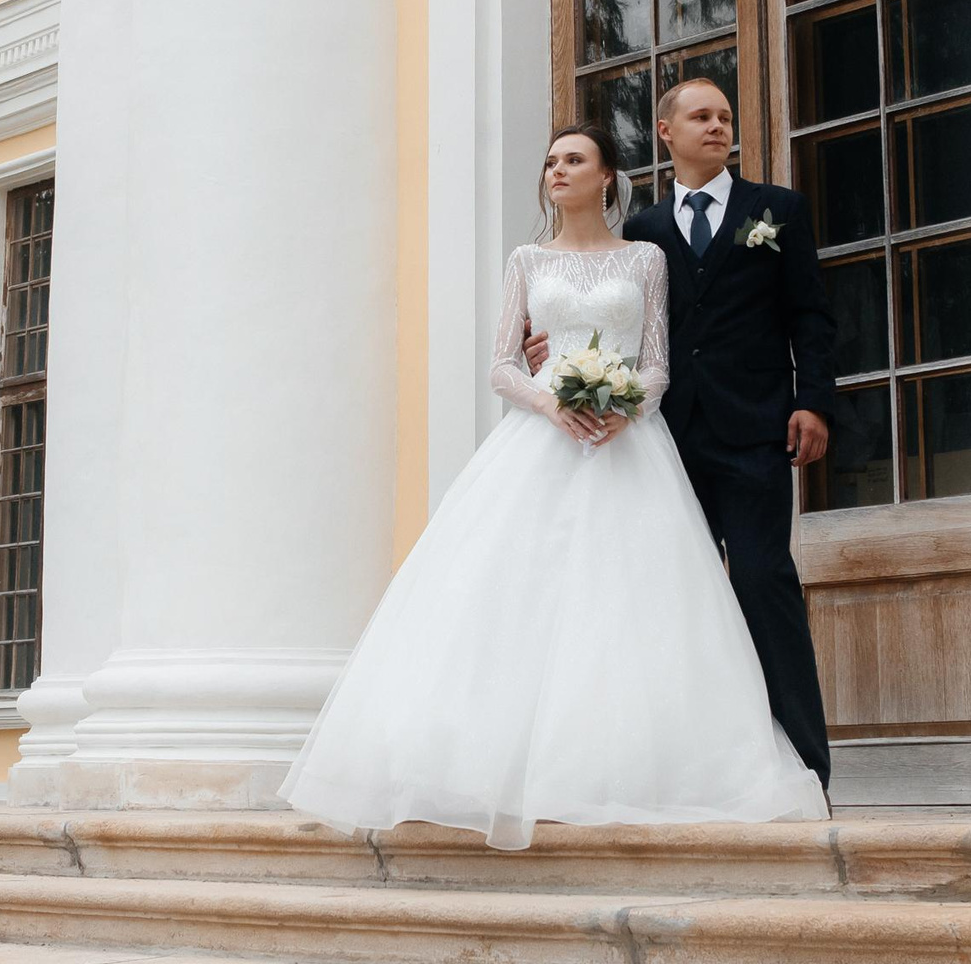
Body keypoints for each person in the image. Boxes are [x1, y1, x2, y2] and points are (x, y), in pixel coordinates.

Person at [278, 123, 826, 848]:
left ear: (608, 176)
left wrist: (625, 407)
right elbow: (502, 363)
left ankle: (637, 769)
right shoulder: (526, 259)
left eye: (573, 159)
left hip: (631, 447)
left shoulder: (646, 256)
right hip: (540, 440)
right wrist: (552, 403)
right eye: (550, 162)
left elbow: (657, 361)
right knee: (509, 597)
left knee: (634, 605)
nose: (556, 171)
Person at [532, 79, 839, 791]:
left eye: (725, 116)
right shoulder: (642, 231)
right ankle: (693, 771)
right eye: (702, 116)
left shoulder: (778, 210)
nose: (718, 126)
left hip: (757, 429)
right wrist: (550, 345)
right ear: (666, 132)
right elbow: (611, 313)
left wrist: (814, 402)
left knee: (763, 580)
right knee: (676, 598)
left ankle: (805, 767)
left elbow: (811, 315)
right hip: (661, 441)